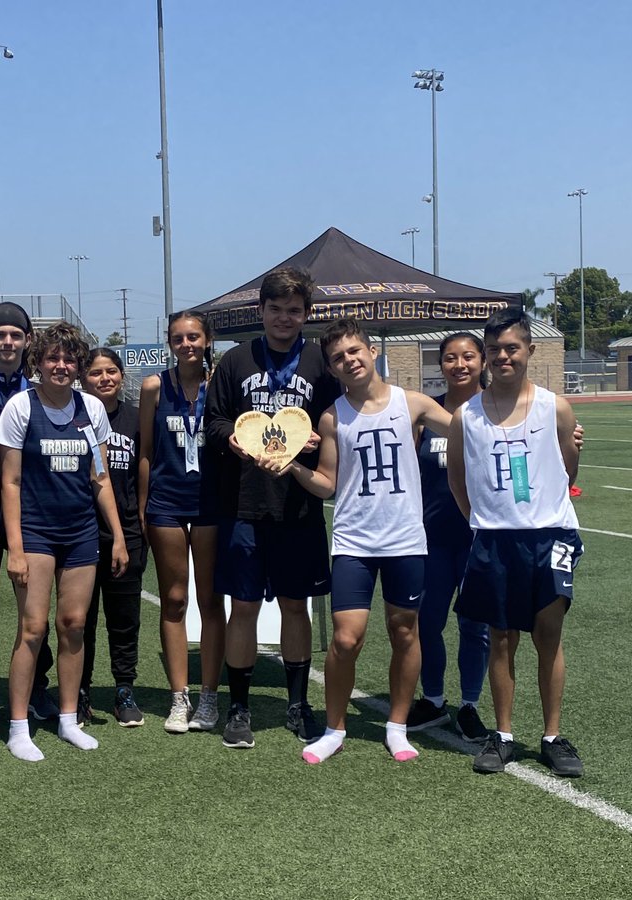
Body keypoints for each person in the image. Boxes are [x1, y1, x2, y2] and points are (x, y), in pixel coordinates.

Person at [276, 318, 451, 764]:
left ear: (372, 352)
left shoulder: (411, 403)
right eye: (338, 357)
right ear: (332, 368)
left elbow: (470, 432)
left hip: (405, 539)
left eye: (355, 351)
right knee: (346, 639)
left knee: (404, 631)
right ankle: (334, 729)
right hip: (354, 539)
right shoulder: (332, 416)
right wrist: (291, 466)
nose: (349, 360)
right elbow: (328, 484)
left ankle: (396, 726)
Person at [204, 267, 340, 750]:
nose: (285, 318)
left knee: (294, 605)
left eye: (295, 310)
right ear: (261, 310)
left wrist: (321, 438)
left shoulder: (321, 362)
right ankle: (239, 706)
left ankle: (298, 702)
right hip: (244, 504)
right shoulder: (236, 360)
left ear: (307, 314)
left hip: (298, 506)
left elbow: (337, 420)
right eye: (277, 309)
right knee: (243, 606)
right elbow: (214, 422)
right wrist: (236, 443)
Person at [448, 309, 585, 777]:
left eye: (511, 347)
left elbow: (569, 472)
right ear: (486, 356)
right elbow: (457, 480)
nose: (502, 356)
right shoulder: (466, 416)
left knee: (549, 634)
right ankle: (503, 735)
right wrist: (483, 522)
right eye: (494, 349)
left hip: (550, 535)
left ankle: (552, 736)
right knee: (501, 640)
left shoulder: (556, 408)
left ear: (529, 350)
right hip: (494, 540)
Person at [0, 322, 128, 761]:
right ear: (39, 361)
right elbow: (10, 482)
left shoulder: (91, 407)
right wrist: (14, 546)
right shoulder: (20, 407)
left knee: (72, 625)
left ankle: (68, 719)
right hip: (34, 533)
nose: (61, 365)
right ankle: (18, 727)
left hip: (80, 533)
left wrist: (118, 537)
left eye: (69, 358)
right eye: (53, 357)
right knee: (32, 628)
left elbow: (100, 477)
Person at [138, 312, 224, 733]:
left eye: (194, 337)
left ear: (207, 340)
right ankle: (179, 696)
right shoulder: (155, 386)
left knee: (208, 600)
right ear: (169, 342)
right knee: (173, 599)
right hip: (166, 504)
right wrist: (143, 505)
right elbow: (146, 452)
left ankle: (209, 696)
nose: (186, 344)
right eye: (178, 338)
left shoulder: (220, 385)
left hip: (209, 504)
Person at [405, 333, 492, 742]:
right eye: (451, 358)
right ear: (440, 364)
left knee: (476, 626)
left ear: (482, 361)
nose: (460, 365)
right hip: (432, 538)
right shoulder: (426, 414)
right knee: (427, 623)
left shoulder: (495, 410)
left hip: (479, 538)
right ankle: (435, 699)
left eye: (468, 357)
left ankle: (470, 706)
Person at [0, 302, 59, 722]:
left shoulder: (40, 387)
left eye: (16, 335)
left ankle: (37, 686)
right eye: (0, 334)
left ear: (27, 341)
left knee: (35, 611)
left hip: (34, 515)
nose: (8, 342)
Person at [80, 347, 147, 727]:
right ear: (83, 378)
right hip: (83, 534)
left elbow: (144, 473)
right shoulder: (73, 417)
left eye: (111, 372)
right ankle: (82, 690)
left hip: (127, 532)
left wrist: (138, 524)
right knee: (81, 620)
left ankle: (124, 689)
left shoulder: (137, 419)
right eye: (95, 373)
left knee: (124, 619)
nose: (104, 378)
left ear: (122, 376)